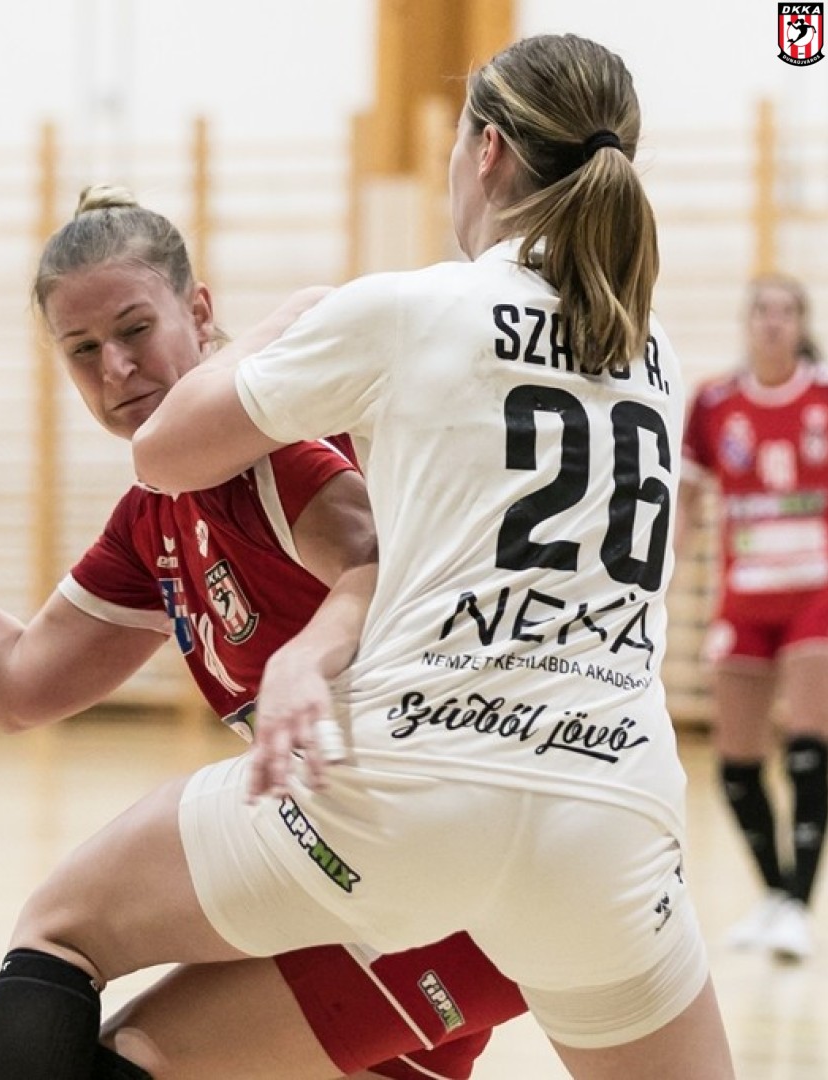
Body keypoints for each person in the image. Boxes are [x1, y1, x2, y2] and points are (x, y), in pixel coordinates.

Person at [131, 31, 736, 1080]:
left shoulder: (414, 307)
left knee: (64, 936)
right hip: (616, 802)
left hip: (427, 779)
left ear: (486, 150)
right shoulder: (653, 351)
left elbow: (163, 453)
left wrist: (274, 327)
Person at [0, 186, 526, 1078]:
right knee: (135, 1057)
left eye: (135, 329)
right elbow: (16, 683)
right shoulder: (157, 515)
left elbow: (377, 562)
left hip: (439, 865)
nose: (116, 368)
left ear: (200, 313)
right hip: (395, 881)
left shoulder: (271, 450)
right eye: (82, 350)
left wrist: (306, 656)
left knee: (64, 932)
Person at [678, 273, 828, 962]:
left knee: (806, 748)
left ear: (801, 323)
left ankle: (797, 902)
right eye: (762, 310)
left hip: (815, 593)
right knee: (736, 764)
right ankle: (775, 896)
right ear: (747, 321)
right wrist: (659, 575)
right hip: (743, 595)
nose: (772, 322)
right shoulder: (715, 402)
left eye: (785, 312)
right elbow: (688, 502)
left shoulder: (821, 397)